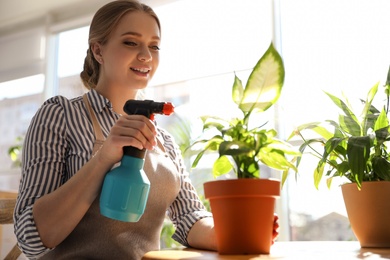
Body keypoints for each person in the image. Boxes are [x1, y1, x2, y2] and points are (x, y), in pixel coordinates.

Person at [14, 0, 279, 259]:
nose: (146, 55)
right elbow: (30, 239)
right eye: (131, 42)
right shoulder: (61, 115)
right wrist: (104, 158)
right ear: (98, 51)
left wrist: (237, 232)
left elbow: (190, 218)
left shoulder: (163, 140)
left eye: (154, 46)